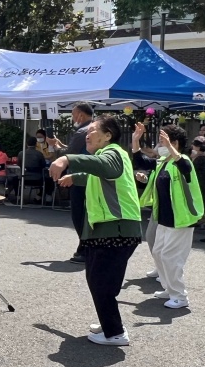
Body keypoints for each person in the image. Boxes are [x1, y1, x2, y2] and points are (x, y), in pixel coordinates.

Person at [49, 115, 141, 346]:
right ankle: (108, 322)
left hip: (116, 229)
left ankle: (116, 333)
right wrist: (75, 177)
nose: (87, 134)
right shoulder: (105, 156)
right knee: (100, 280)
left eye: (92, 130)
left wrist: (66, 159)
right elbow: (95, 175)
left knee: (101, 282)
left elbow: (104, 168)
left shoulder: (113, 153)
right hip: (109, 229)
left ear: (108, 135)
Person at [133, 123, 204, 309]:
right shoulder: (164, 163)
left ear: (175, 143)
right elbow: (140, 161)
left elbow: (184, 167)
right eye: (160, 141)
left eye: (164, 141)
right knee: (158, 253)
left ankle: (180, 296)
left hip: (180, 220)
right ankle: (169, 289)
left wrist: (171, 147)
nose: (161, 145)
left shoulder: (184, 161)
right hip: (164, 218)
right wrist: (135, 140)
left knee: (171, 257)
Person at [49, 102, 95, 264]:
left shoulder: (82, 131)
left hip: (79, 177)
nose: (72, 117)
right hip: (93, 175)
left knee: (79, 214)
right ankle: (86, 247)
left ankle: (85, 248)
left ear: (81, 115)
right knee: (89, 213)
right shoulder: (94, 129)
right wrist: (60, 145)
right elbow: (74, 150)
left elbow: (69, 154)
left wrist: (56, 148)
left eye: (73, 114)